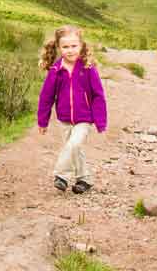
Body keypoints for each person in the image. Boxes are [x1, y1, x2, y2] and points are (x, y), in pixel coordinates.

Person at [36, 25, 108, 194]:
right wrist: (42, 121)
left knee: (74, 144)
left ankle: (61, 175)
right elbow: (46, 97)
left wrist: (100, 121)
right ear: (59, 48)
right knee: (75, 149)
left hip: (84, 118)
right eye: (65, 47)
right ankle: (85, 179)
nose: (70, 50)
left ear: (81, 46)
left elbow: (98, 96)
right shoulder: (56, 71)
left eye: (74, 46)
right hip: (64, 119)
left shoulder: (88, 68)